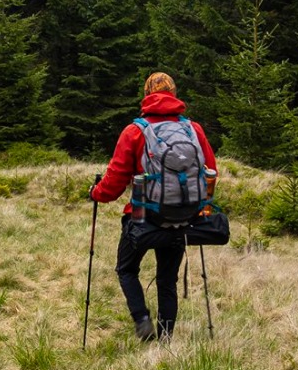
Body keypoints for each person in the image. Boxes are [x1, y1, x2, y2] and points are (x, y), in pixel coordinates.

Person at [88, 73, 218, 342]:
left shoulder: (135, 131)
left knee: (126, 269)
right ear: (174, 93)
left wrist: (96, 193)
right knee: (166, 280)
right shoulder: (193, 129)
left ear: (146, 94)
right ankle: (166, 337)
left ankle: (142, 320)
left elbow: (114, 182)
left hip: (143, 218)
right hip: (183, 218)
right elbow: (211, 170)